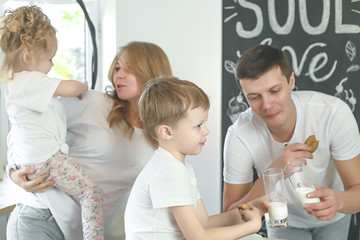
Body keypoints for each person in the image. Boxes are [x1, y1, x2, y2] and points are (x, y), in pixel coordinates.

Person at [6, 41, 173, 239]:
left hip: (83, 233)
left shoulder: (160, 136)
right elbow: (26, 128)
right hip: (42, 217)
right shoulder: (92, 101)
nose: (119, 74)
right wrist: (13, 172)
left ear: (151, 74)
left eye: (130, 70)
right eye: (118, 67)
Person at [222, 44, 360, 240]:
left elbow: (357, 189)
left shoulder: (333, 113)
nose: (267, 105)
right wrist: (277, 170)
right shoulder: (239, 134)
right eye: (254, 97)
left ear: (291, 81)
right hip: (282, 220)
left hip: (335, 216)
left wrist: (338, 201)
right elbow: (230, 216)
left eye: (275, 90)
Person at [0, 5, 104, 240]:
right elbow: (71, 87)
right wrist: (84, 86)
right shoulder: (30, 81)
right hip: (45, 161)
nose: (53, 65)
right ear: (28, 58)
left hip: (33, 164)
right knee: (90, 191)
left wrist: (12, 170)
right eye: (50, 59)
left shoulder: (17, 87)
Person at [125, 76, 263, 240]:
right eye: (198, 125)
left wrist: (252, 208)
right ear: (167, 132)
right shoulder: (168, 172)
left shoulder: (179, 167)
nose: (206, 131)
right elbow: (199, 237)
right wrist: (251, 227)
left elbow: (204, 223)